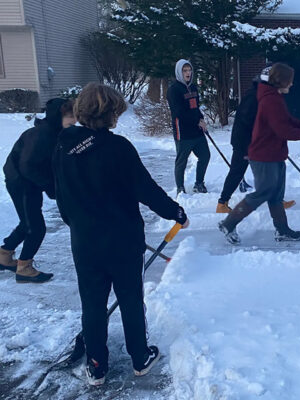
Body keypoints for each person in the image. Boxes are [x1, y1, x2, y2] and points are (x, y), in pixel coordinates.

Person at [53, 83, 190, 385]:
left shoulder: (63, 146)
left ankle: (96, 365)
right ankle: (140, 358)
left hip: (85, 241)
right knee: (130, 298)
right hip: (123, 240)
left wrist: (76, 223)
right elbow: (146, 189)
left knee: (92, 303)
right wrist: (175, 212)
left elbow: (61, 196)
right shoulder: (118, 148)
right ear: (111, 114)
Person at [218, 63, 300, 244]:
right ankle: (228, 223)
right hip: (263, 155)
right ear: (281, 82)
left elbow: (286, 120)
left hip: (275, 153)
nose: (292, 85)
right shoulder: (269, 100)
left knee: (276, 194)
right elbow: (282, 130)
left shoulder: (274, 97)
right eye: (290, 81)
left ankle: (282, 230)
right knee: (263, 192)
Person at [0, 98, 75, 283]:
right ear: (59, 116)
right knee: (36, 228)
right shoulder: (42, 135)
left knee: (28, 222)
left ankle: (4, 254)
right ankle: (24, 268)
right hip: (21, 182)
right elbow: (28, 166)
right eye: (70, 116)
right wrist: (52, 189)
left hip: (27, 182)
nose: (74, 120)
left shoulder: (55, 132)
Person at [216, 65, 296, 213]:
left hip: (257, 141)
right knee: (238, 170)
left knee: (273, 169)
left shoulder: (267, 95)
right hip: (245, 141)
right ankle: (222, 203)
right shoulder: (254, 96)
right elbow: (248, 121)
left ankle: (277, 200)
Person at [166, 59, 210, 195]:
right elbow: (179, 113)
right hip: (183, 132)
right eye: (185, 70)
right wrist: (197, 121)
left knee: (205, 155)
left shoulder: (194, 88)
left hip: (196, 131)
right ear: (179, 72)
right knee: (182, 161)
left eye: (189, 70)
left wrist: (201, 119)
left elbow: (195, 108)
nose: (188, 73)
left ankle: (199, 183)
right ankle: (180, 187)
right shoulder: (174, 90)